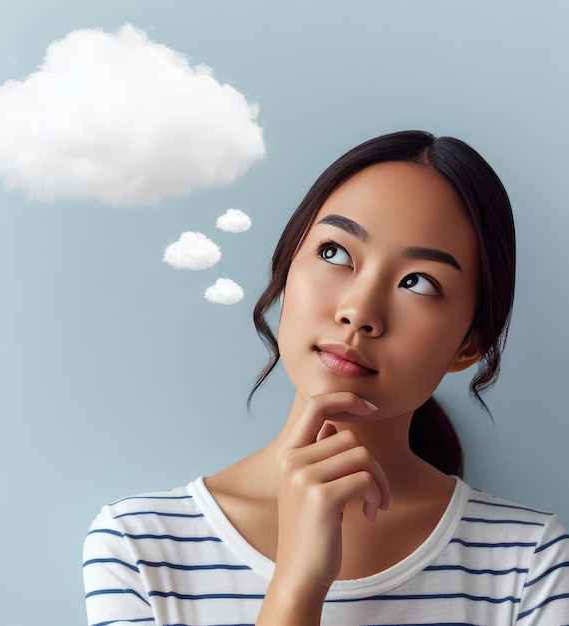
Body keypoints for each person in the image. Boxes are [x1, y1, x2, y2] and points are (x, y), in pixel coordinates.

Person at [83, 130, 569, 625]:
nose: (359, 311)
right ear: (287, 267)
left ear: (469, 345)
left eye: (418, 282)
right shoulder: (140, 549)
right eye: (335, 253)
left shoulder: (528, 564)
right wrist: (297, 583)